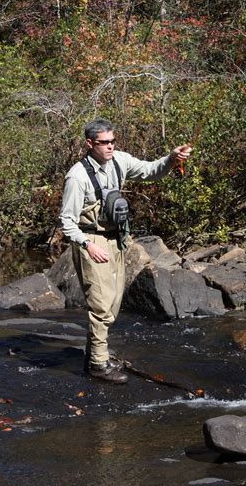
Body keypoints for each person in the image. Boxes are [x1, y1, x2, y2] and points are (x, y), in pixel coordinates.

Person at [59, 118, 191, 383]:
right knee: (101, 306)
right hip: (91, 241)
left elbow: (151, 170)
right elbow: (67, 222)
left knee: (114, 303)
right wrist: (87, 245)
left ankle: (95, 353)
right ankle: (97, 365)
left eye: (112, 141)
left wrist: (171, 158)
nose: (110, 147)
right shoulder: (77, 176)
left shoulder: (120, 160)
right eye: (104, 142)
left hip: (116, 240)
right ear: (90, 144)